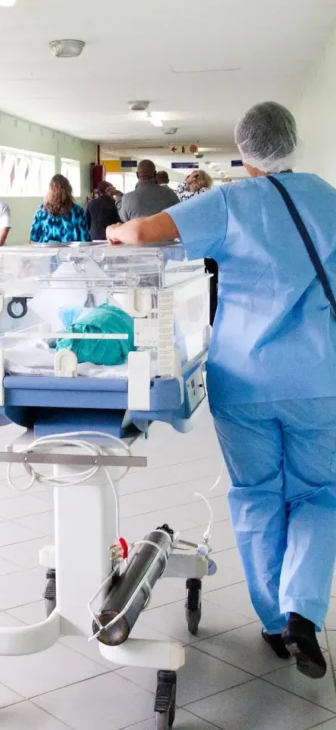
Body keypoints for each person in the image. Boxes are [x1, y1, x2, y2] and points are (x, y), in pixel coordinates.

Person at [107, 101, 336, 680]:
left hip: (246, 377)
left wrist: (114, 226)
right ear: (292, 141)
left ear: (246, 149)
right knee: (320, 495)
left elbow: (141, 234)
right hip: (320, 378)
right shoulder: (329, 199)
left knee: (258, 494)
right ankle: (303, 612)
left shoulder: (232, 202)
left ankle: (273, 622)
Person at [176, 169, 218, 326]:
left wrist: (185, 181)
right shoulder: (211, 194)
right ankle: (211, 319)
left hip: (193, 247)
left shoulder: (193, 196)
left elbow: (177, 194)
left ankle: (197, 320)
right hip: (210, 246)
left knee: (195, 285)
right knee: (212, 284)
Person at [30, 174, 90, 243]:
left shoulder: (42, 210)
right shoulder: (77, 211)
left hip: (47, 252)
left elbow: (34, 236)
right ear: (68, 190)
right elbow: (85, 238)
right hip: (70, 252)